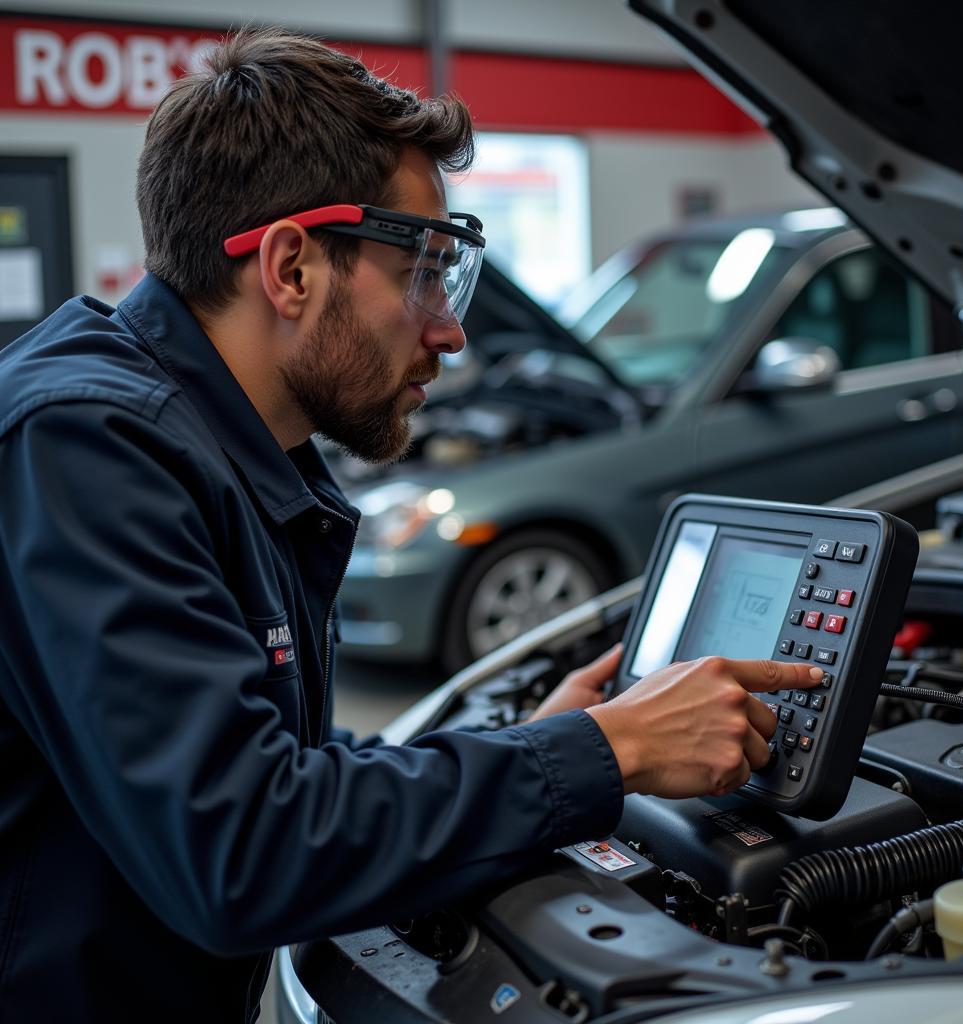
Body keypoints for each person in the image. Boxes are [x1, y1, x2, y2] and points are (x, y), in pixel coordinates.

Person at [0, 30, 821, 1022]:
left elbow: (273, 769)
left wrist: (544, 744)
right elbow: (243, 849)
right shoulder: (85, 446)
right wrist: (605, 751)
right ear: (292, 267)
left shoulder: (212, 445)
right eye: (424, 270)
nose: (450, 327)